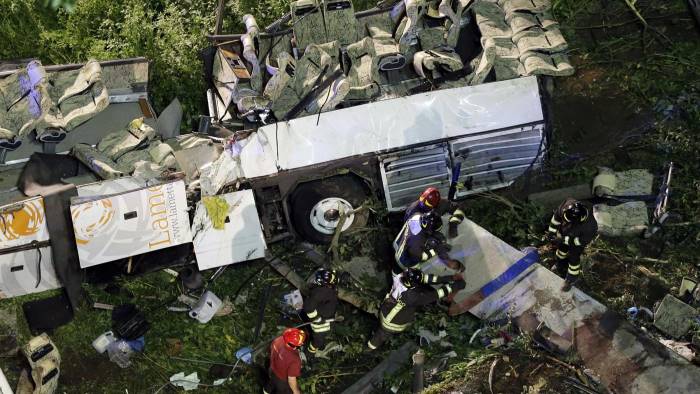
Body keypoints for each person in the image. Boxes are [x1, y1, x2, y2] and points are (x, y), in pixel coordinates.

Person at [367, 268, 465, 350]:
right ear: (414, 284)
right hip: (394, 324)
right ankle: (371, 347)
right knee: (383, 334)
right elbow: (436, 294)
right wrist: (455, 286)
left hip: (385, 311)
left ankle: (371, 346)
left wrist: (449, 278)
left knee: (381, 333)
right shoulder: (413, 297)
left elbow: (424, 278)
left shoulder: (401, 276)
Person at [544, 198, 598, 291]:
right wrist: (551, 233)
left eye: (568, 221)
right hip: (565, 234)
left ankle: (570, 280)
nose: (565, 222)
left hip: (576, 242)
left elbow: (581, 241)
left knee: (574, 259)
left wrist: (563, 240)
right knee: (561, 252)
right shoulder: (567, 205)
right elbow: (556, 219)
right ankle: (559, 264)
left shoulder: (590, 226)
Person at [393, 210, 463, 276]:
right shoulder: (417, 243)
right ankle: (397, 274)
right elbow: (419, 257)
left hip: (399, 243)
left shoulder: (417, 216)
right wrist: (435, 251)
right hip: (404, 261)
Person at [303, 268, 338, 355]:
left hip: (327, 318)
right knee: (318, 341)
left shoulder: (327, 289)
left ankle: (319, 343)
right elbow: (308, 307)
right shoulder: (320, 292)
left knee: (323, 336)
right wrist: (317, 319)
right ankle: (310, 352)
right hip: (320, 324)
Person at [264, 328, 306, 394]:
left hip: (271, 370)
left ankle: (266, 391)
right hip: (281, 380)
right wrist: (296, 391)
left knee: (271, 383)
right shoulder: (295, 360)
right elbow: (291, 380)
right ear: (296, 345)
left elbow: (270, 351)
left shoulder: (278, 339)